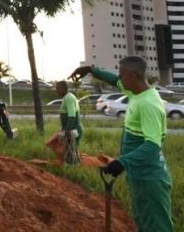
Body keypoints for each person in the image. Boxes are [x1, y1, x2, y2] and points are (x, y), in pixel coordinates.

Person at [70, 57, 173, 231]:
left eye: (122, 74)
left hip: (149, 179)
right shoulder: (136, 92)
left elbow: (152, 146)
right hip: (139, 175)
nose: (119, 77)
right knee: (143, 222)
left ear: (132, 76)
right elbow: (114, 80)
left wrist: (122, 162)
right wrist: (92, 70)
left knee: (156, 226)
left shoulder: (148, 104)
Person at [55, 80, 81, 164]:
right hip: (71, 130)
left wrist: (66, 130)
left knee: (71, 153)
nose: (56, 90)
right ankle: (72, 166)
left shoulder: (69, 98)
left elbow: (72, 116)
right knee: (70, 151)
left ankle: (73, 169)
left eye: (58, 88)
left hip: (72, 130)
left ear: (63, 88)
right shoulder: (68, 97)